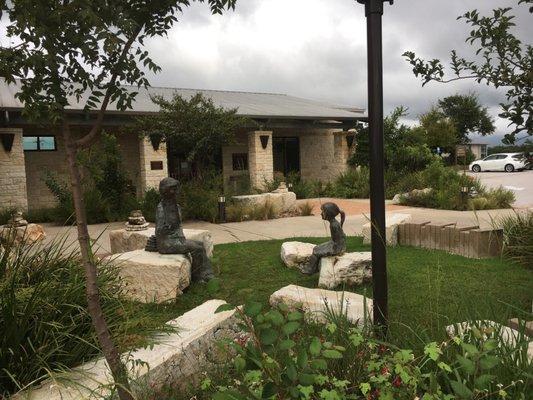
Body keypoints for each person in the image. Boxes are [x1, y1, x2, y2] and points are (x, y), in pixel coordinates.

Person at [145, 177, 214, 282]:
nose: (176, 192)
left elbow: (178, 226)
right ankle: (198, 277)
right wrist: (167, 229)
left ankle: (207, 273)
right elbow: (159, 230)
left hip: (177, 239)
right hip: (167, 243)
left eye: (176, 189)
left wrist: (180, 236)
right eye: (173, 189)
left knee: (200, 244)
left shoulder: (176, 206)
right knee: (197, 248)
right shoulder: (161, 208)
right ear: (166, 191)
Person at [302, 202, 346, 274]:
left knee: (316, 251)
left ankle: (310, 269)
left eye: (323, 212)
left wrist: (330, 247)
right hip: (335, 244)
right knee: (316, 248)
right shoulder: (333, 223)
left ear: (328, 213)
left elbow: (338, 240)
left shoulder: (334, 225)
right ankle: (313, 267)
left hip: (337, 247)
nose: (321, 213)